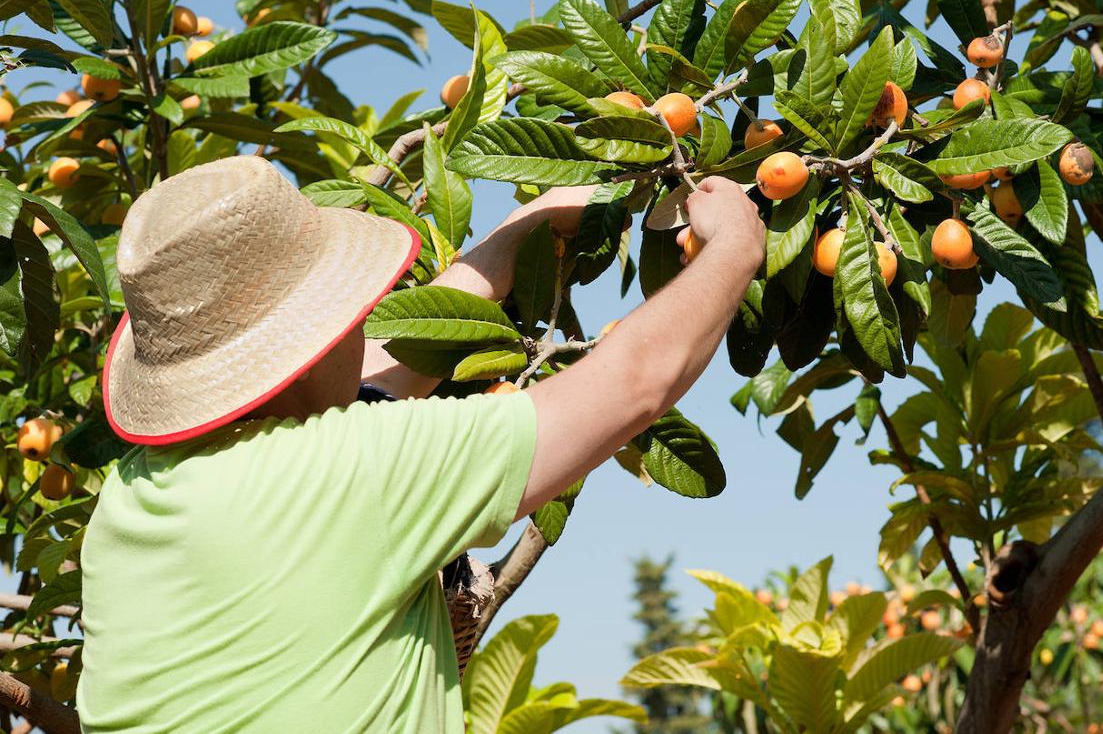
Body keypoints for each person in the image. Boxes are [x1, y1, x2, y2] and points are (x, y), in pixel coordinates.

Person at [79, 155, 764, 732]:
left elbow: (370, 375)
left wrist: (522, 228)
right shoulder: (354, 474)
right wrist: (735, 246)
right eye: (346, 311)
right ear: (310, 343)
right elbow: (635, 380)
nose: (361, 325)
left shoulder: (130, 500)